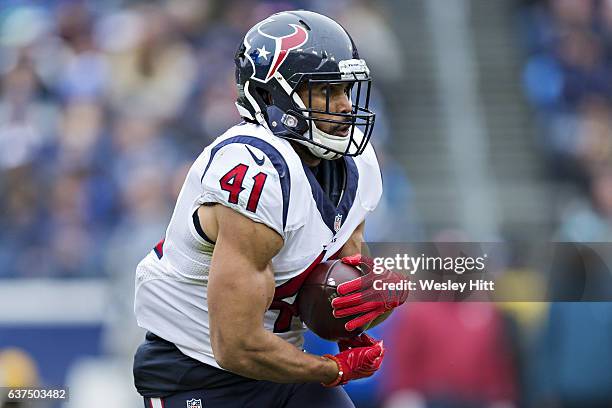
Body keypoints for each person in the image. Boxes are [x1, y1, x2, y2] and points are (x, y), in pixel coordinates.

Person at [132, 10, 407, 408]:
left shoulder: (356, 162)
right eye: (327, 91)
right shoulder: (254, 168)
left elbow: (335, 298)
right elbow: (235, 344)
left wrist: (373, 302)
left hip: (281, 362)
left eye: (346, 90)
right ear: (271, 95)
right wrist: (332, 369)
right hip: (197, 370)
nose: (346, 106)